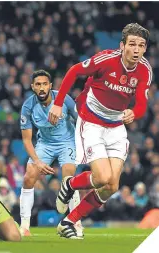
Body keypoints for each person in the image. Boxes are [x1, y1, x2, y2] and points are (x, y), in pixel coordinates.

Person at [48, 23, 152, 239]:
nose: (136, 50)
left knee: (111, 186)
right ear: (122, 45)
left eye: (141, 46)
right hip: (92, 121)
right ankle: (71, 185)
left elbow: (141, 102)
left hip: (115, 126)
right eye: (132, 44)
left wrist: (135, 113)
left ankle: (68, 221)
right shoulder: (105, 59)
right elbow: (74, 71)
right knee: (102, 176)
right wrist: (58, 103)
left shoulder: (144, 70)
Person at [20, 69, 83, 237]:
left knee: (69, 178)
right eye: (38, 84)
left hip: (67, 142)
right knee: (28, 177)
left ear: (50, 86)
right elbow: (27, 140)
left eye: (45, 84)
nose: (42, 88)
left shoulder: (64, 100)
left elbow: (81, 121)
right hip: (44, 144)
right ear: (32, 87)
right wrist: (38, 162)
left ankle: (75, 223)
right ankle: (24, 226)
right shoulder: (28, 106)